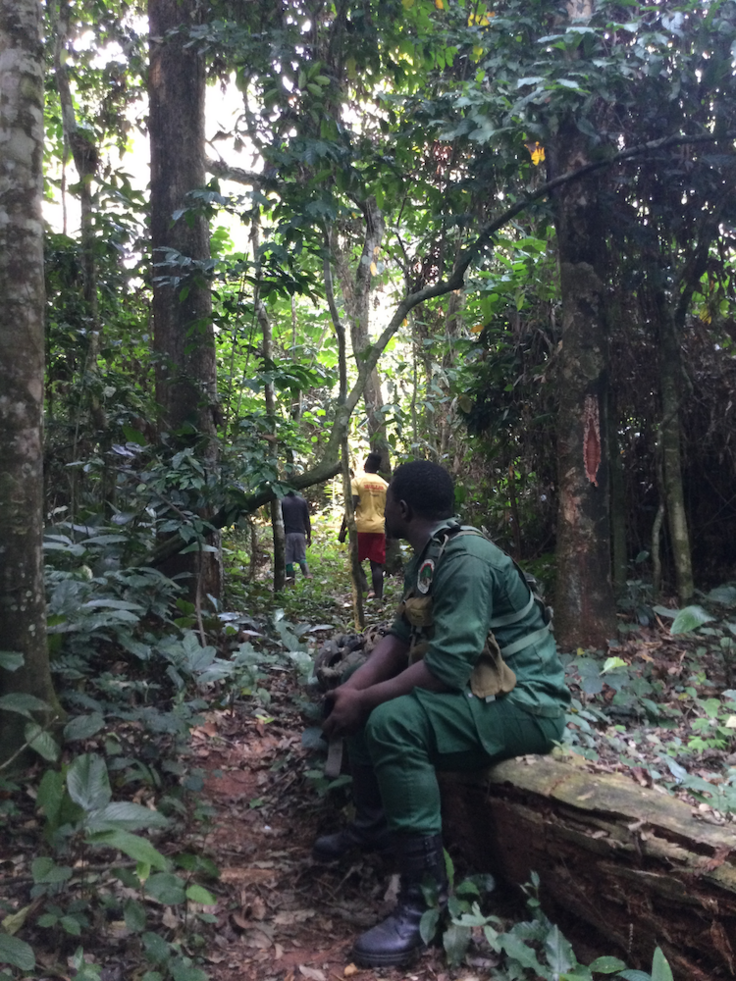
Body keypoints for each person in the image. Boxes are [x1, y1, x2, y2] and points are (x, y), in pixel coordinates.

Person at [314, 460, 570, 968]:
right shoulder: (433, 554)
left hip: (528, 705)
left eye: (387, 504)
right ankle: (375, 826)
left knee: (391, 719)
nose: (382, 510)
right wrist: (353, 691)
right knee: (364, 699)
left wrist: (370, 700)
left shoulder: (467, 560)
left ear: (403, 510)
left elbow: (449, 666)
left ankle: (423, 903)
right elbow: (401, 639)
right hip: (488, 691)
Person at [339, 452, 388, 600]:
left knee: (355, 562)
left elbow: (351, 507)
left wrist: (343, 529)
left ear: (365, 465)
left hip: (361, 528)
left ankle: (367, 590)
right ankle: (378, 598)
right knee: (377, 565)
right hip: (380, 528)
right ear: (378, 468)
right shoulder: (385, 485)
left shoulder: (357, 482)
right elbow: (389, 510)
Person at [281, 490, 312, 581]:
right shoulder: (302, 501)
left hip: (287, 534)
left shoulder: (282, 502)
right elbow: (307, 520)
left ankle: (290, 580)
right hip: (300, 533)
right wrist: (309, 536)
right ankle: (307, 575)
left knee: (288, 558)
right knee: (302, 556)